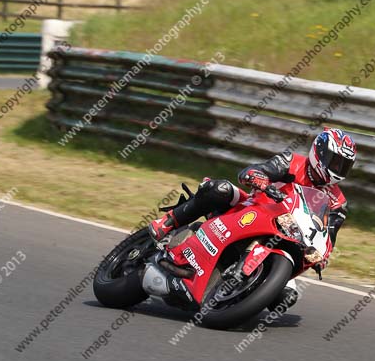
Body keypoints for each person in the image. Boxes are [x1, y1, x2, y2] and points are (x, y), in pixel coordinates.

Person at [149, 129, 356, 309]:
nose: (337, 169)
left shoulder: (339, 202)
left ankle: (233, 299)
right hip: (253, 208)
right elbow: (253, 171)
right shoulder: (293, 163)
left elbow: (329, 236)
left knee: (286, 297)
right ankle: (167, 223)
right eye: (335, 162)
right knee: (220, 189)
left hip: (290, 238)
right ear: (319, 152)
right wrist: (259, 178)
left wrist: (322, 256)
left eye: (343, 166)